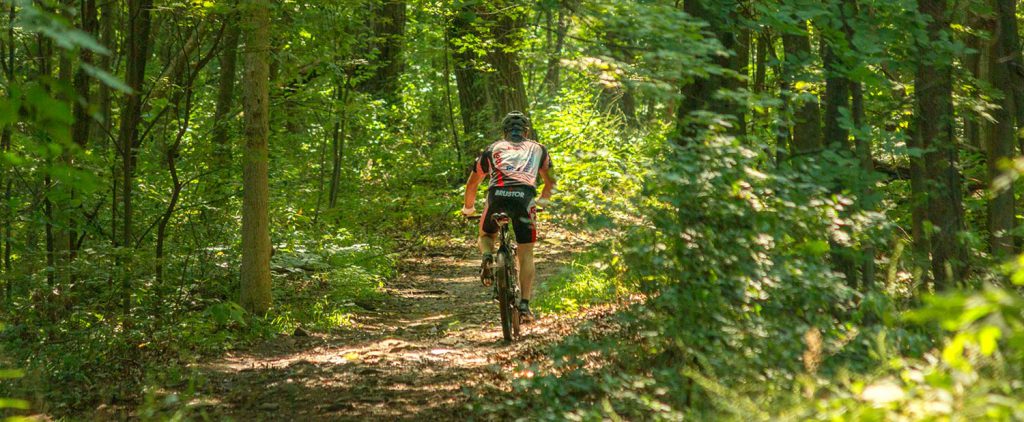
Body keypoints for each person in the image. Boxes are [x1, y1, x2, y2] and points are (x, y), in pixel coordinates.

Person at [461, 111, 555, 323]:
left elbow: (473, 183)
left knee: (486, 234)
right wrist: (542, 202)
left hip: (498, 197)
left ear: (504, 132)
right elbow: (551, 182)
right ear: (526, 131)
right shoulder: (539, 149)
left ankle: (487, 256)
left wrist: (468, 209)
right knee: (526, 251)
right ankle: (524, 306)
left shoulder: (492, 149)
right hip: (525, 198)